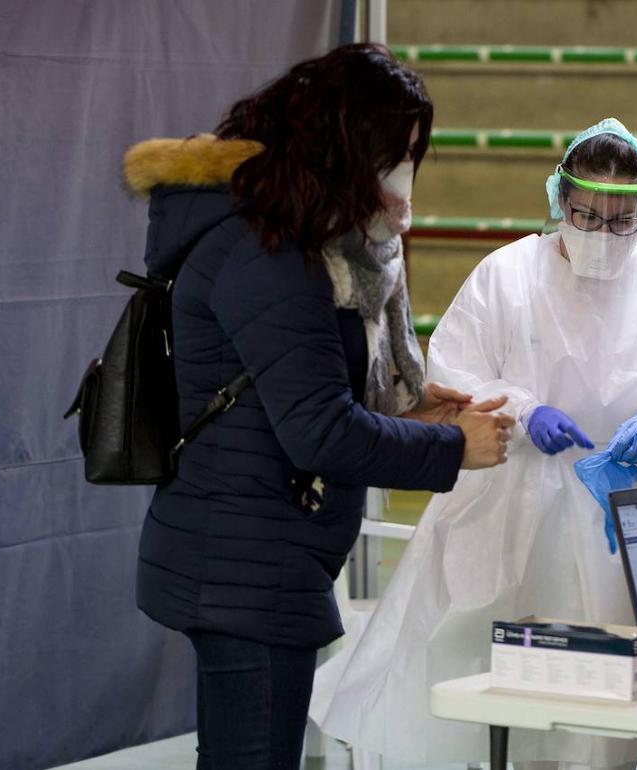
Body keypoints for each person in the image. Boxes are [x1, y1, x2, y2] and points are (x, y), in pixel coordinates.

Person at [127, 44, 513, 770]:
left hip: (250, 556)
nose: (402, 177)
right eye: (393, 154)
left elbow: (300, 392)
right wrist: (454, 447)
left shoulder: (283, 238)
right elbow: (319, 431)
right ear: (344, 147)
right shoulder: (270, 256)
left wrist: (415, 410)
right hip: (246, 565)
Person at [310, 118, 637, 766]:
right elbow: (450, 374)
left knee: (614, 709)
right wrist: (524, 408)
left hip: (626, 517)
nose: (601, 234)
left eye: (621, 221)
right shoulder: (506, 275)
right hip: (510, 503)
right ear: (558, 202)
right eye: (586, 216)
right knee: (489, 691)